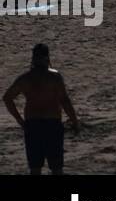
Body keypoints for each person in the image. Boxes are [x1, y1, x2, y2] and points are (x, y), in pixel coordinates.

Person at [4, 44, 79, 175]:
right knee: (56, 167)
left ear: (33, 58)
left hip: (33, 125)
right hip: (52, 123)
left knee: (35, 167)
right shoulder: (54, 77)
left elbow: (7, 98)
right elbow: (64, 101)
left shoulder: (25, 78)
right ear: (47, 57)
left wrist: (20, 121)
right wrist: (75, 122)